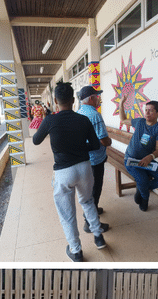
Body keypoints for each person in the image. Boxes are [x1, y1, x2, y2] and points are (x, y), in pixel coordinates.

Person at [32, 82, 108, 262]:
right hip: (84, 168)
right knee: (88, 201)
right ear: (74, 100)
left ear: (56, 101)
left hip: (63, 172)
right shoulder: (84, 119)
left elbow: (36, 140)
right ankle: (98, 236)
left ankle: (76, 251)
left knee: (67, 213)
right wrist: (80, 146)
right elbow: (96, 144)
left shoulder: (50, 120)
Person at [120, 94, 158, 211]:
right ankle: (144, 198)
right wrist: (121, 104)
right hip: (131, 161)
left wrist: (150, 157)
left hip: (147, 161)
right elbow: (123, 120)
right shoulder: (139, 122)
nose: (147, 113)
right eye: (146, 110)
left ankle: (141, 188)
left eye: (151, 111)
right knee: (143, 180)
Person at [77, 86, 112, 229]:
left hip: (85, 159)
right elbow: (103, 139)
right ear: (92, 98)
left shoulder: (79, 113)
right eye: (97, 96)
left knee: (89, 189)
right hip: (96, 160)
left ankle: (93, 210)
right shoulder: (94, 115)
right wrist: (109, 142)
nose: (99, 99)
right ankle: (89, 223)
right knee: (95, 189)